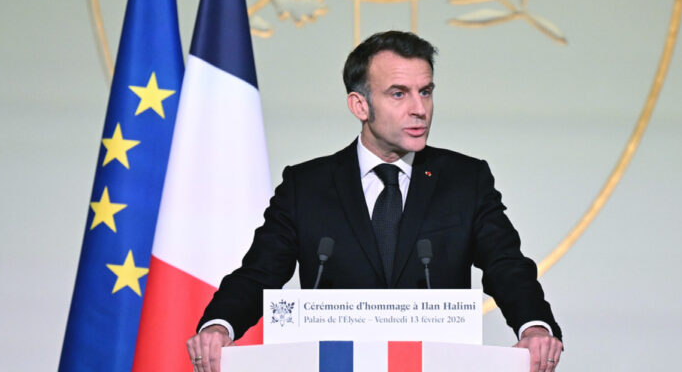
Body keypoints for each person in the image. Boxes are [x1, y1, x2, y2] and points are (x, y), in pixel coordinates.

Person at [186, 31, 563, 372]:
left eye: (425, 91)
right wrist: (220, 325)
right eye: (399, 94)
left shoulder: (465, 180)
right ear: (359, 105)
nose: (419, 108)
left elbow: (505, 264)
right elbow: (259, 273)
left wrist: (534, 326)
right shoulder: (307, 186)